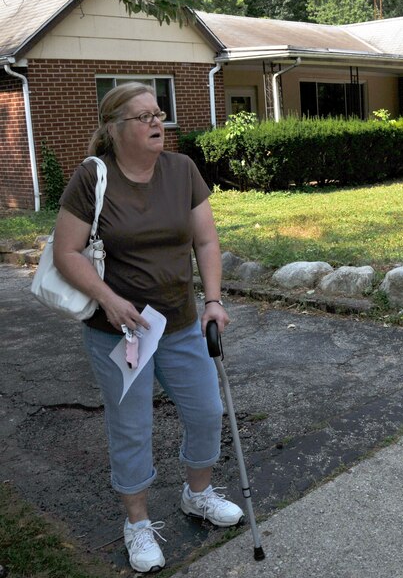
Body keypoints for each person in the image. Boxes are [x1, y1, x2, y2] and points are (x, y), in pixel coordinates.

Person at [53, 82, 243, 573]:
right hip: (120, 331)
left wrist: (214, 300)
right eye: (143, 117)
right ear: (115, 130)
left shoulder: (182, 171)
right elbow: (66, 252)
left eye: (159, 113)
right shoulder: (93, 178)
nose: (157, 123)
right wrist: (108, 300)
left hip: (180, 323)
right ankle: (137, 524)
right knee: (131, 428)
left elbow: (205, 241)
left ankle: (196, 494)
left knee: (206, 412)